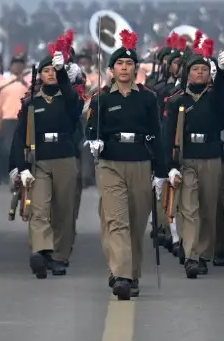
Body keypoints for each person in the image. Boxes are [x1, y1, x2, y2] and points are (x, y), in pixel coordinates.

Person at [84, 30, 166, 300]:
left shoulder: (147, 98)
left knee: (136, 221)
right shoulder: (102, 98)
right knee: (116, 220)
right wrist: (93, 140)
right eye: (119, 64)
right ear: (111, 69)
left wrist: (161, 171)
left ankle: (131, 272)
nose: (124, 68)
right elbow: (91, 126)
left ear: (136, 69)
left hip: (140, 161)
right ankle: (122, 275)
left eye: (129, 64)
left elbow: (156, 133)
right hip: (111, 163)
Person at [10, 38, 82, 278]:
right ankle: (41, 251)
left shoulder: (69, 98)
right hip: (39, 159)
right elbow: (19, 136)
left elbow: (75, 108)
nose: (51, 74)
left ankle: (60, 256)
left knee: (64, 210)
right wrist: (21, 168)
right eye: (46, 70)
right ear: (39, 75)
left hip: (64, 156)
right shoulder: (31, 103)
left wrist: (63, 75)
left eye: (54, 70)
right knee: (39, 208)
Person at [164, 40, 224, 279]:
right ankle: (191, 254)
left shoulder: (215, 98)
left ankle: (203, 253)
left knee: (208, 209)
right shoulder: (177, 101)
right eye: (195, 69)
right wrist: (169, 166)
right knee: (188, 208)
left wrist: (222, 73)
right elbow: (168, 134)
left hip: (211, 157)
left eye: (204, 69)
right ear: (187, 73)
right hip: (187, 158)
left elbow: (223, 95)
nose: (200, 72)